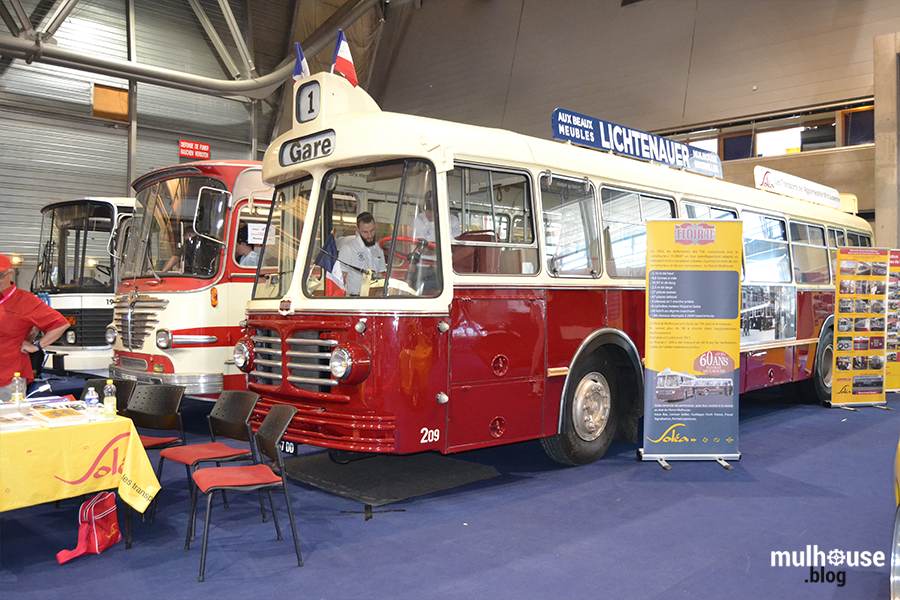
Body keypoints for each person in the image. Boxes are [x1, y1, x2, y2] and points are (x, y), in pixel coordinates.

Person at [0, 254, 70, 401]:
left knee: (9, 420)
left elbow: (61, 324)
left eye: (0, 275)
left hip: (8, 378)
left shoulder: (25, 300)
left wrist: (37, 346)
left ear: (10, 274)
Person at [338, 212, 386, 295]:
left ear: (375, 226)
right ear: (357, 230)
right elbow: (341, 278)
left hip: (374, 298)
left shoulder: (379, 249)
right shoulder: (348, 249)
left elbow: (381, 275)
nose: (370, 235)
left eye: (372, 231)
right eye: (365, 232)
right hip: (355, 298)